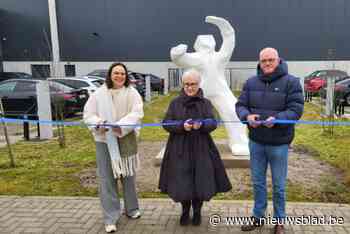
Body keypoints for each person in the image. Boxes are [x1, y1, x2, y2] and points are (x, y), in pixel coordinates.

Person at [236, 48, 304, 234]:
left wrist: (278, 119)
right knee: (258, 182)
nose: (267, 63)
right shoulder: (251, 82)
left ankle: (279, 221)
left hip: (279, 143)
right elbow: (240, 105)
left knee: (279, 185)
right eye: (264, 60)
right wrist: (246, 116)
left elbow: (296, 110)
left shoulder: (291, 82)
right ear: (259, 61)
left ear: (278, 60)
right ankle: (258, 217)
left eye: (271, 60)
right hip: (256, 141)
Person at [159, 69, 232, 226]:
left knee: (201, 180)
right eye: (186, 84)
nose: (190, 87)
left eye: (193, 84)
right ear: (183, 84)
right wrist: (181, 126)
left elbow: (213, 122)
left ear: (199, 84)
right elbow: (166, 123)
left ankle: (197, 211)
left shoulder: (205, 103)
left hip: (201, 147)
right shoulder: (175, 103)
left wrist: (202, 124)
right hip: (179, 148)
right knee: (182, 181)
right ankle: (185, 210)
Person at [170, 15, 249, 156]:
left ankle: (238, 142)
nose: (206, 45)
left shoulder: (220, 56)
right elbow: (179, 59)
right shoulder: (195, 57)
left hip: (220, 90)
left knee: (233, 112)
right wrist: (177, 52)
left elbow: (229, 40)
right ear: (197, 45)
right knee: (188, 113)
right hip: (200, 91)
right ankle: (185, 141)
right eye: (203, 43)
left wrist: (224, 25)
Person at [83, 62, 144, 233]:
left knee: (128, 176)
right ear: (110, 75)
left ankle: (131, 209)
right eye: (116, 73)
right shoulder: (98, 94)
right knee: (107, 179)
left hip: (125, 138)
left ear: (126, 76)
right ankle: (110, 217)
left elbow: (137, 112)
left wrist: (120, 126)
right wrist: (98, 124)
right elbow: (88, 114)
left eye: (122, 74)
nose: (119, 76)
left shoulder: (131, 92)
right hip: (104, 140)